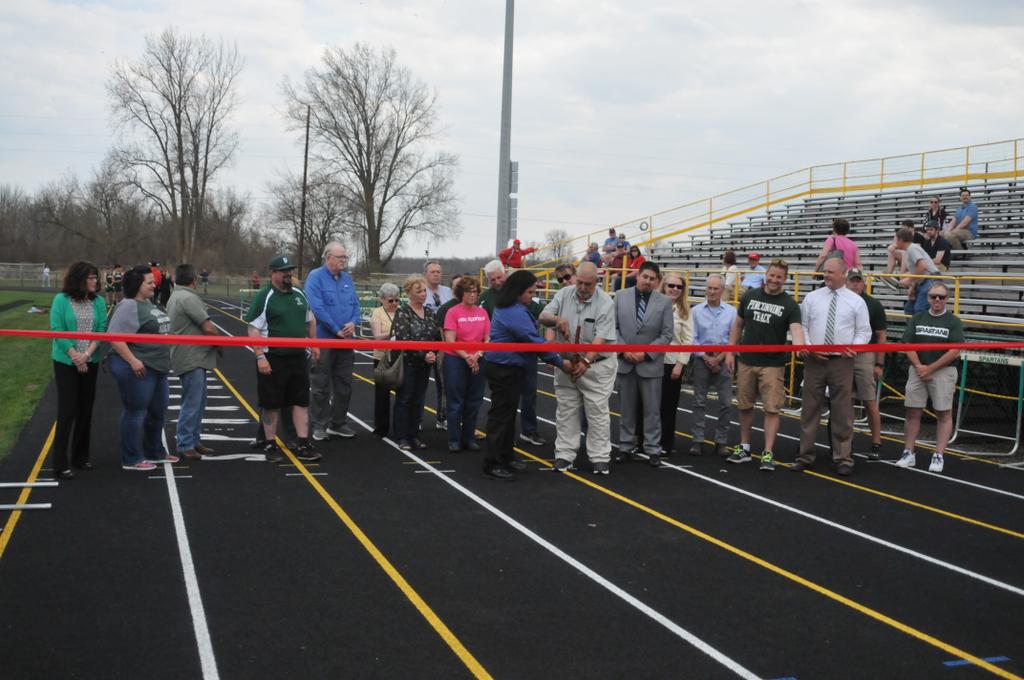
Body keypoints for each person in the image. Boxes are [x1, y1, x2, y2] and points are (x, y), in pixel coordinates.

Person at [484, 270, 572, 480]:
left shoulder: (513, 307)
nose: (532, 296)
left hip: (510, 367)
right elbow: (532, 341)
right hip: (504, 368)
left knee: (507, 415)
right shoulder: (513, 312)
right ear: (518, 291)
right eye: (530, 292)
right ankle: (493, 463)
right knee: (501, 416)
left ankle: (506, 457)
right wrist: (561, 362)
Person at [792, 257, 871, 476]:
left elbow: (864, 331)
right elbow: (803, 326)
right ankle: (805, 455)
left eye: (830, 272)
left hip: (841, 362)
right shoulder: (812, 298)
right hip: (814, 361)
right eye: (825, 271)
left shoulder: (856, 302)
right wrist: (809, 347)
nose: (826, 275)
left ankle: (843, 457)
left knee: (842, 411)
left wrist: (854, 347)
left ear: (843, 274)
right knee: (809, 409)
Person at [540, 262, 617, 474]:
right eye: (580, 282)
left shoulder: (606, 302)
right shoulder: (564, 294)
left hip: (597, 366)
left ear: (597, 282)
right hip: (566, 364)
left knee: (597, 411)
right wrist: (556, 319)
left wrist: (586, 362)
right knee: (566, 410)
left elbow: (601, 337)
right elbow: (543, 317)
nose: (582, 287)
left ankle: (600, 457)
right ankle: (564, 455)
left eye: (587, 284)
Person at [727, 258, 804, 470]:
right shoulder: (750, 296)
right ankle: (744, 447)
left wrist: (799, 345)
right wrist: (730, 352)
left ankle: (768, 452)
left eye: (779, 277)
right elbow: (738, 325)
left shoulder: (789, 304)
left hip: (773, 364)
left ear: (785, 279)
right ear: (766, 275)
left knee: (771, 408)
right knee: (745, 405)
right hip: (747, 361)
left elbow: (796, 328)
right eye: (771, 275)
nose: (774, 280)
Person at [245, 255, 321, 463]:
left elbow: (310, 319)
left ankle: (303, 443)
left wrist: (313, 343)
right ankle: (270, 445)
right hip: (273, 357)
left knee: (301, 402)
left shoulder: (299, 293)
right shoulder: (265, 296)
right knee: (271, 404)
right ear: (273, 273)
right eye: (284, 270)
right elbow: (253, 328)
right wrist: (260, 356)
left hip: (297, 357)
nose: (288, 274)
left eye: (290, 270)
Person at [107, 264, 176, 471]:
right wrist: (133, 361)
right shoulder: (128, 306)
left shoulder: (149, 303)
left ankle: (154, 452)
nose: (154, 283)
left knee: (158, 410)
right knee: (135, 411)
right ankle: (131, 458)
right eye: (149, 282)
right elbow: (115, 338)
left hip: (158, 368)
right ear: (138, 285)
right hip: (139, 368)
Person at [613, 261, 674, 467]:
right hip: (625, 361)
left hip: (650, 364)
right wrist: (624, 350)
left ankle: (652, 449)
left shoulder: (665, 302)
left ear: (657, 282)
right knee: (626, 408)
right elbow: (613, 328)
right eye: (645, 277)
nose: (647, 281)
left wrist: (645, 353)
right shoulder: (620, 297)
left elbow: (666, 334)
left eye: (652, 279)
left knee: (652, 410)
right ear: (638, 276)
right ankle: (625, 446)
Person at [897, 282, 963, 474]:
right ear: (927, 298)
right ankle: (908, 452)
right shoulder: (917, 318)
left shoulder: (953, 321)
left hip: (942, 371)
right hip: (918, 369)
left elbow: (955, 350)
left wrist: (931, 368)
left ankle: (939, 454)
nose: (937, 300)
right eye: (933, 296)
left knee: (943, 413)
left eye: (941, 297)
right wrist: (919, 367)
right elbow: (907, 344)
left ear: (946, 299)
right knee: (912, 411)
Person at [49, 262, 107, 479]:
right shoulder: (61, 300)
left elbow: (101, 330)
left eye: (95, 278)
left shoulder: (99, 302)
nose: (95, 281)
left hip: (89, 360)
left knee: (85, 409)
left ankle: (80, 456)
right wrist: (74, 356)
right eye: (90, 278)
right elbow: (57, 330)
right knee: (67, 411)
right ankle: (60, 462)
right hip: (65, 362)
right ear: (78, 279)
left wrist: (86, 355)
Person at [481, 259, 546, 446]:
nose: (497, 282)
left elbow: (541, 314)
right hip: (505, 361)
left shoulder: (521, 302)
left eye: (499, 277)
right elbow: (530, 336)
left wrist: (553, 320)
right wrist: (559, 359)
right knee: (503, 410)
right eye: (492, 279)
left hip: (521, 359)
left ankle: (519, 439)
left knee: (525, 397)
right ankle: (496, 457)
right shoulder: (494, 302)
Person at [305, 242, 360, 441]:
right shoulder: (315, 277)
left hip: (346, 341)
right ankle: (320, 424)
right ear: (328, 258)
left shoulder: (347, 279)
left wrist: (354, 323)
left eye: (345, 257)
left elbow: (355, 304)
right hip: (325, 339)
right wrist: (337, 330)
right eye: (340, 257)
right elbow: (317, 308)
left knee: (345, 384)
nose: (344, 261)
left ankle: (339, 423)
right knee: (320, 384)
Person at [166, 264, 220, 460]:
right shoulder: (188, 297)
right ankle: (186, 443)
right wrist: (220, 343)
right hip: (192, 356)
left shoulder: (176, 296)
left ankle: (193, 439)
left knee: (199, 400)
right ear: (193, 281)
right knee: (192, 401)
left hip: (190, 355)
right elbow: (208, 327)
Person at [391, 275, 442, 451]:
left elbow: (437, 337)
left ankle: (414, 434)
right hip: (408, 363)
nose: (422, 294)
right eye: (418, 291)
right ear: (409, 293)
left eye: (424, 290)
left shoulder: (430, 312)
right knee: (405, 399)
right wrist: (423, 355)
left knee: (419, 400)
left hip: (425, 364)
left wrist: (432, 353)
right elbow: (404, 339)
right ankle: (402, 436)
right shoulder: (402, 312)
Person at [688, 274, 737, 457]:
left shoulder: (732, 312)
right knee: (699, 402)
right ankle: (697, 440)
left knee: (725, 403)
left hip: (724, 361)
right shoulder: (696, 311)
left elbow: (734, 339)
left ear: (722, 290)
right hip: (702, 361)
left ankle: (721, 441)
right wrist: (707, 358)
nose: (712, 292)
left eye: (716, 288)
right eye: (709, 288)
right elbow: (693, 338)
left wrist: (719, 358)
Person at [443, 276, 490, 452]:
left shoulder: (482, 312)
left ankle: (468, 437)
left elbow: (488, 337)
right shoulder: (453, 312)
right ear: (461, 293)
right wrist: (467, 357)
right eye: (469, 291)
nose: (472, 294)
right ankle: (454, 439)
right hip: (456, 360)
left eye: (475, 291)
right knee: (456, 401)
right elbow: (450, 339)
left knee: (474, 401)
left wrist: (478, 355)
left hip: (478, 359)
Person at [845, 268, 887, 460]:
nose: (855, 283)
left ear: (863, 282)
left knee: (869, 400)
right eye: (852, 280)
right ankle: (847, 442)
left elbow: (881, 335)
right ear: (846, 282)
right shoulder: (842, 301)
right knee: (846, 401)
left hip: (865, 354)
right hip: (844, 354)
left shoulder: (873, 305)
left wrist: (879, 363)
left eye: (858, 280)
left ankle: (876, 442)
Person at [656, 272, 692, 456]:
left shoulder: (685, 311)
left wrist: (680, 364)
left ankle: (665, 443)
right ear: (664, 286)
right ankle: (644, 440)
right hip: (651, 361)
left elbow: (687, 340)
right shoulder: (653, 305)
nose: (674, 289)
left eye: (679, 287)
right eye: (671, 285)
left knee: (668, 406)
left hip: (672, 364)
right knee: (648, 404)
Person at [423, 260, 453, 430]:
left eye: (439, 272)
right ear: (426, 274)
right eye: (433, 271)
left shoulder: (447, 292)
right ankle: (416, 419)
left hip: (443, 341)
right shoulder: (420, 290)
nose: (436, 274)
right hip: (425, 341)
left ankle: (442, 416)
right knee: (419, 382)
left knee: (444, 382)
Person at [370, 283, 400, 438]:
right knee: (382, 395)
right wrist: (394, 331)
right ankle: (381, 428)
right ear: (381, 300)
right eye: (390, 301)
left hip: (399, 358)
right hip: (382, 358)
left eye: (397, 300)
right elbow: (377, 336)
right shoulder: (377, 313)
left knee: (402, 393)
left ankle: (400, 427)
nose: (394, 304)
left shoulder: (402, 312)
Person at [895, 226, 942, 314]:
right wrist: (913, 286)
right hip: (925, 279)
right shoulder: (910, 249)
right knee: (909, 308)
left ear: (900, 240)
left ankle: (920, 327)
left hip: (931, 279)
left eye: (895, 239)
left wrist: (909, 280)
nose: (895, 242)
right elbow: (919, 270)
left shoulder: (912, 249)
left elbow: (922, 265)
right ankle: (912, 327)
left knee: (920, 309)